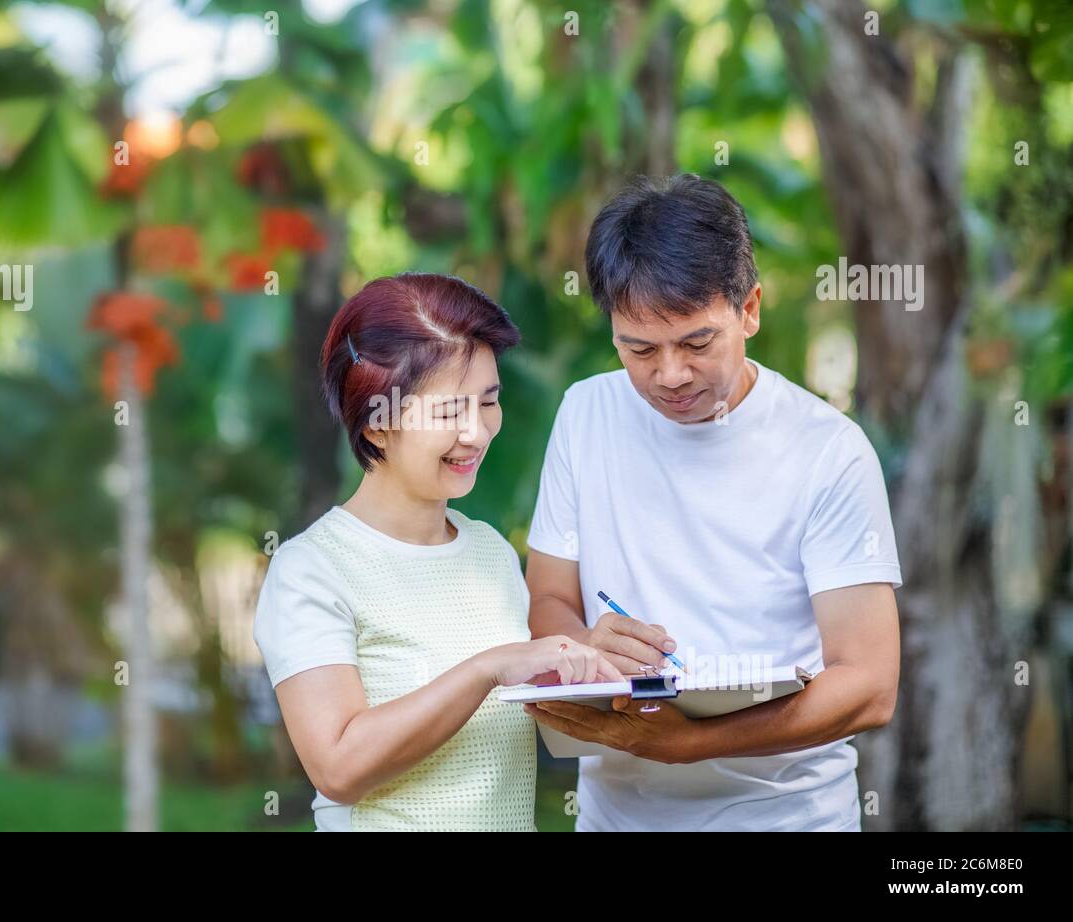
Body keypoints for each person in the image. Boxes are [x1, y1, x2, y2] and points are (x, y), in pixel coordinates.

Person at [523, 174, 902, 831]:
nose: (669, 375)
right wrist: (584, 644)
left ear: (749, 309)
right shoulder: (587, 414)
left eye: (697, 342)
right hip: (617, 817)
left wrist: (685, 743)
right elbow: (548, 598)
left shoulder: (829, 452)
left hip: (786, 818)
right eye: (638, 349)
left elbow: (870, 684)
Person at [253, 272, 622, 831]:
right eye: (448, 413)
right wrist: (487, 669)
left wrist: (597, 668)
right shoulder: (311, 569)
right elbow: (338, 766)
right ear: (377, 424)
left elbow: (517, 730)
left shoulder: (490, 553)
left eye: (489, 402)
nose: (476, 432)